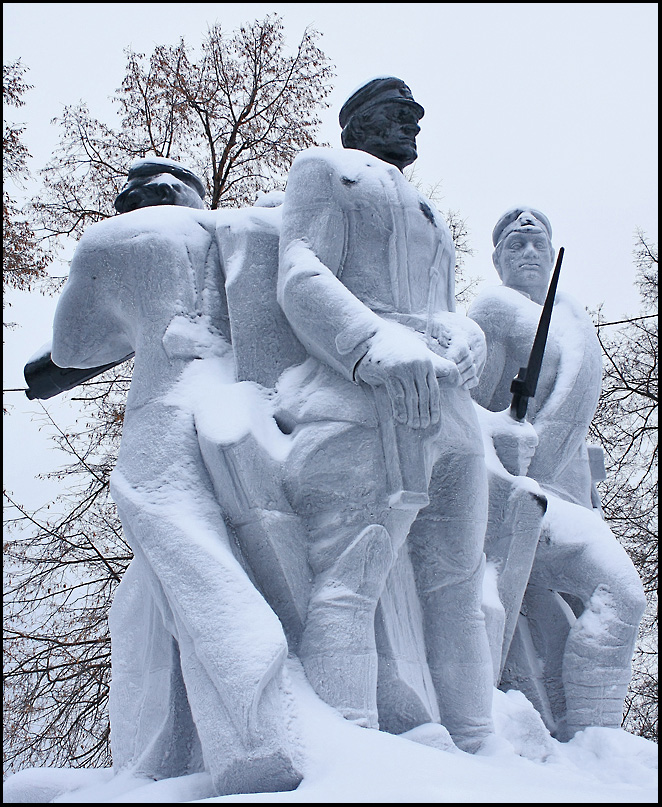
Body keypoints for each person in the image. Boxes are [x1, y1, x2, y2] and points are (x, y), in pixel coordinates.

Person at [50, 158, 302, 795]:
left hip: (164, 416)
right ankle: (200, 737)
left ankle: (255, 732)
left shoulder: (112, 241)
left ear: (130, 201)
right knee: (219, 566)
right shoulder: (243, 229)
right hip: (247, 413)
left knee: (195, 564)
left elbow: (72, 348)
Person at [276, 76, 496, 752]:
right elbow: (301, 271)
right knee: (349, 581)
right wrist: (371, 344)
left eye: (415, 114)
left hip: (452, 410)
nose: (412, 123)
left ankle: (483, 751)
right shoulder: (326, 172)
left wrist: (471, 338)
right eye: (397, 112)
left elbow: (444, 306)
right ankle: (352, 758)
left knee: (457, 588)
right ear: (359, 122)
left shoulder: (429, 212)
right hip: (364, 397)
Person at [468, 207, 646, 740]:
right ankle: (583, 739)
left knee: (605, 608)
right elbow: (465, 411)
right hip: (517, 494)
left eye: (536, 243)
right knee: (617, 594)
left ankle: (592, 741)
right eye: (515, 244)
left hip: (573, 503)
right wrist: (501, 435)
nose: (528, 251)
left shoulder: (570, 317)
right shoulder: (493, 313)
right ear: (497, 259)